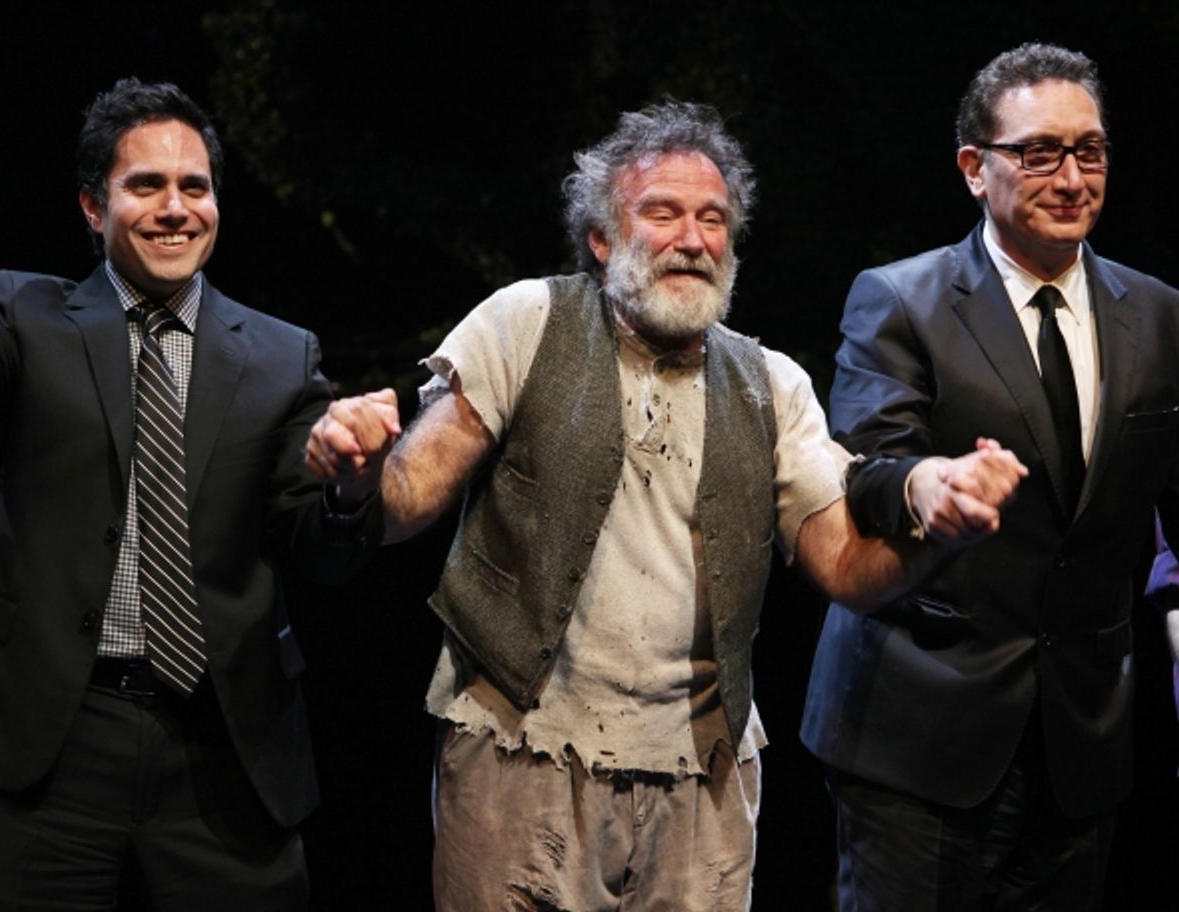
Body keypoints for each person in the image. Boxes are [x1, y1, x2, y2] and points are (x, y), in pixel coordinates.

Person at [305, 100, 1024, 910]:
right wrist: (358, 473)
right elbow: (409, 495)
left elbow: (848, 568)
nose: (692, 239)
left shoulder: (773, 384)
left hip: (701, 777)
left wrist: (941, 532)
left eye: (713, 219)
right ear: (602, 238)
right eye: (662, 213)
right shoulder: (526, 321)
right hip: (521, 754)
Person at [0, 79, 381, 911]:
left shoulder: (281, 355)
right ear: (94, 207)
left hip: (223, 747)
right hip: (48, 738)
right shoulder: (24, 315)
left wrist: (349, 491)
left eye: (193, 187)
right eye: (146, 185)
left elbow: (320, 554)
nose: (174, 208)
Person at [800, 42, 1179, 910]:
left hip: (1081, 743)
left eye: (1090, 151)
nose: (1072, 178)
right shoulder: (902, 299)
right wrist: (929, 486)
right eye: (1039, 153)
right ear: (976, 168)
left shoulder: (1161, 316)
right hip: (914, 735)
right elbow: (864, 469)